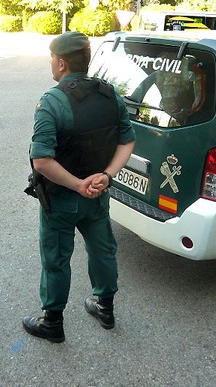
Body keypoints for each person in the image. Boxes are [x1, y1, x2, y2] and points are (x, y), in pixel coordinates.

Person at [22, 31, 136, 343]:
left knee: (56, 258)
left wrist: (76, 185)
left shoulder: (51, 102)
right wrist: (107, 176)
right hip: (98, 194)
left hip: (61, 199)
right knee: (103, 250)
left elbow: (41, 161)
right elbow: (127, 140)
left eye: (51, 60)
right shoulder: (110, 94)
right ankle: (105, 308)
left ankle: (53, 323)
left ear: (61, 64)